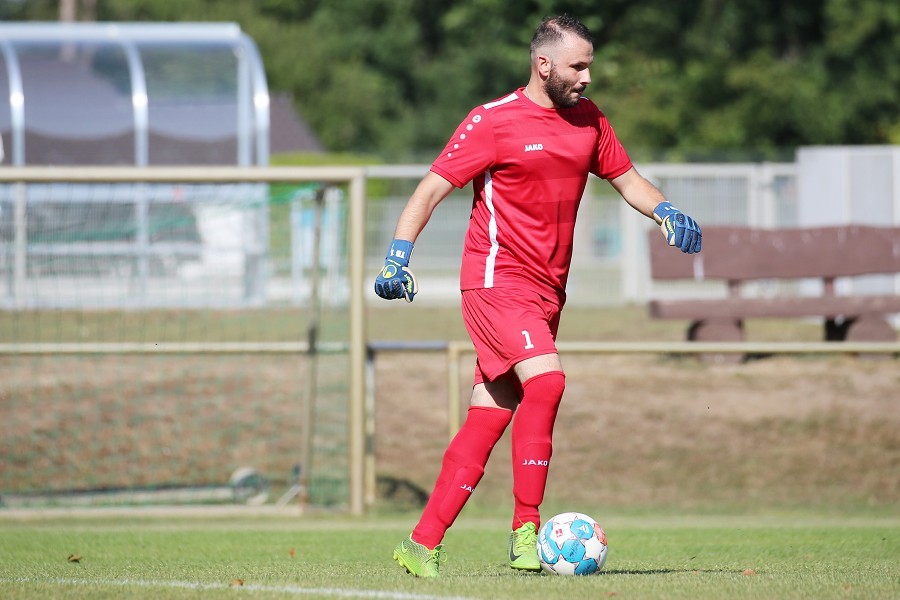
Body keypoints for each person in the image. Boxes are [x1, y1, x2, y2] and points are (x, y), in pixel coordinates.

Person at [374, 14, 701, 577]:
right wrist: (397, 254)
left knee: (491, 415)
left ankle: (420, 543)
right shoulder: (492, 121)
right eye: (579, 65)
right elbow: (432, 189)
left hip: (547, 294)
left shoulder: (589, 121)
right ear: (543, 64)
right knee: (546, 381)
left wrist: (665, 210)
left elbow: (628, 179)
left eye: (590, 65)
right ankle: (526, 528)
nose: (588, 77)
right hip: (496, 282)